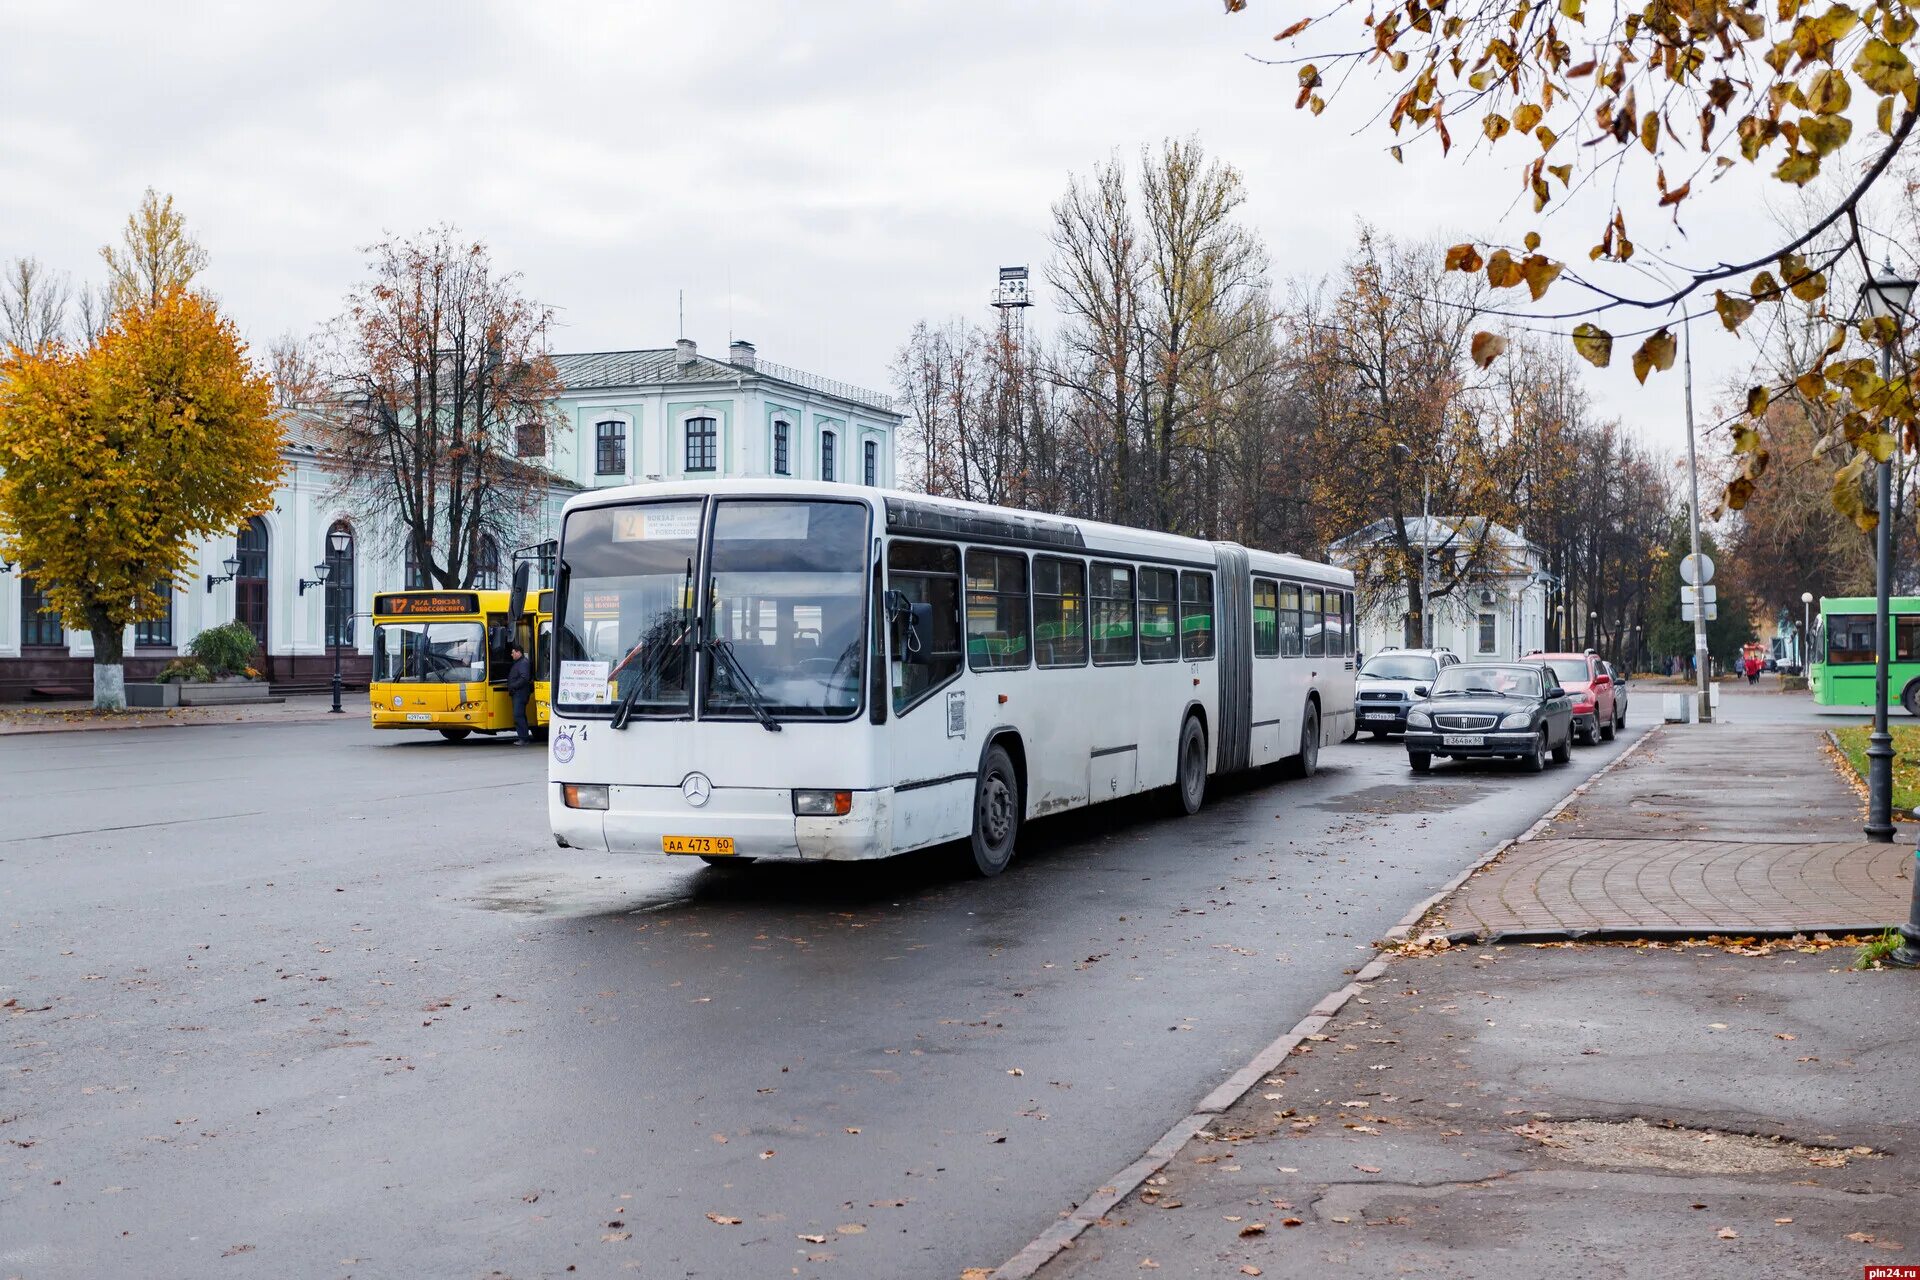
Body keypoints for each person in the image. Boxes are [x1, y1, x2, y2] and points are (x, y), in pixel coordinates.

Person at [506, 642, 534, 744]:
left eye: (513, 652)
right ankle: (524, 737)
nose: (511, 654)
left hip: (520, 694)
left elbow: (524, 678)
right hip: (517, 693)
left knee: (518, 715)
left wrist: (513, 686)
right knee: (520, 715)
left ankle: (523, 738)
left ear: (518, 652)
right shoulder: (519, 663)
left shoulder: (523, 663)